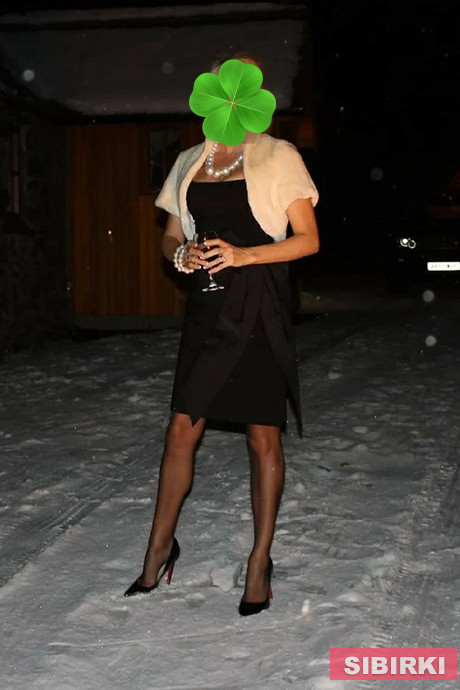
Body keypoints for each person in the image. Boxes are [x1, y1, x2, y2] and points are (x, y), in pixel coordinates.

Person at [124, 51, 320, 615]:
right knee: (180, 430)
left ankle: (260, 561)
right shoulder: (190, 159)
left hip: (259, 306)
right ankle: (159, 549)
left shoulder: (279, 155)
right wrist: (180, 254)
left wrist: (244, 254)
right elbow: (169, 235)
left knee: (263, 437)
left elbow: (308, 240)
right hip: (207, 307)